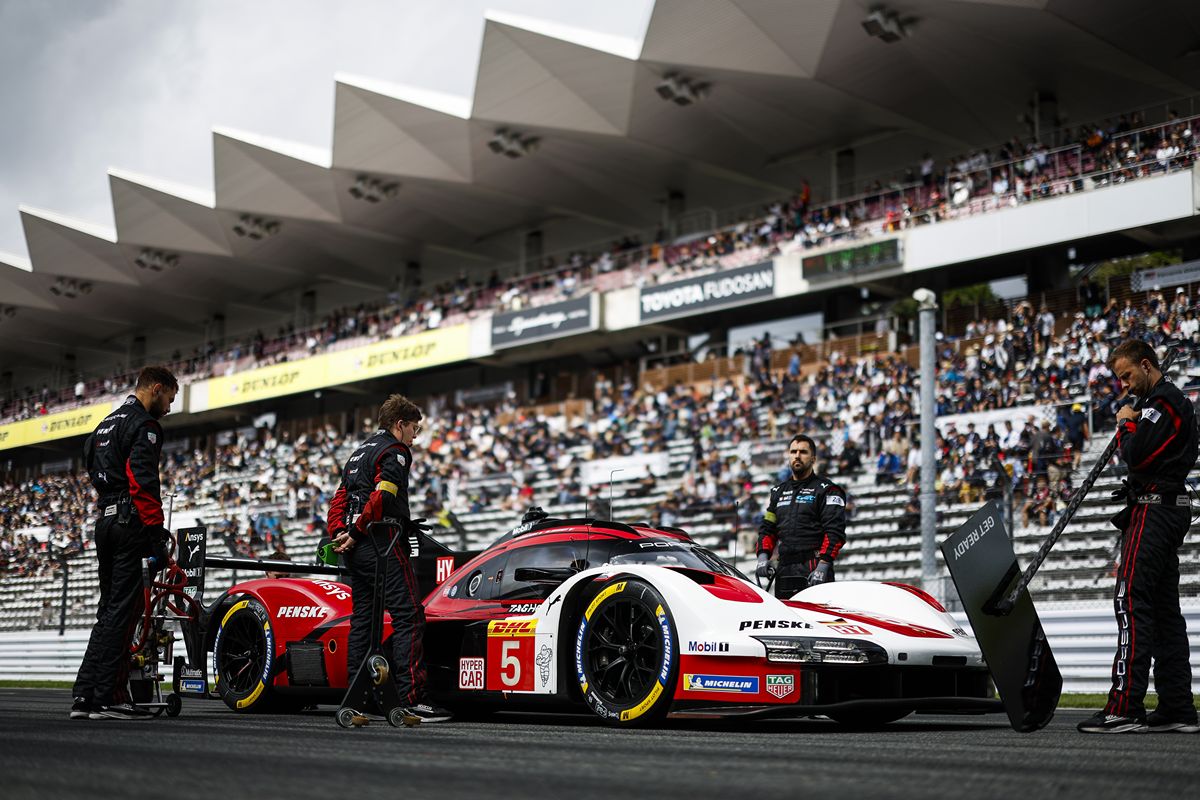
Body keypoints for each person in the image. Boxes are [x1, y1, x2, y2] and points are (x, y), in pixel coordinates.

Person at [1078, 340, 1199, 734]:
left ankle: (1125, 706)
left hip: (1157, 509)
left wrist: (1126, 422)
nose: (1125, 385)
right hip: (1159, 506)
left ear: (1146, 366)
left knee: (1129, 597)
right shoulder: (1157, 404)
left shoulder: (1167, 405)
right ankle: (1178, 706)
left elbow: (1139, 455)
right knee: (1163, 610)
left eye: (1127, 375)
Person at [326, 394, 451, 723]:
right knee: (409, 615)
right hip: (382, 543)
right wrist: (357, 530)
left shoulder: (358, 453)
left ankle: (360, 696)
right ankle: (412, 698)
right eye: (414, 428)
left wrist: (339, 533)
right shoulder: (395, 451)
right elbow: (383, 496)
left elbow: (339, 499)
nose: (414, 435)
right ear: (400, 424)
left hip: (356, 551)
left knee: (363, 622)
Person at [71, 366, 177, 720]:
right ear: (156, 389)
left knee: (108, 610)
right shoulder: (144, 426)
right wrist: (157, 533)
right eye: (169, 400)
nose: (169, 408)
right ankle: (110, 697)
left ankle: (85, 696)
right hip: (130, 522)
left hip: (105, 520)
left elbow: (92, 468)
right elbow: (143, 481)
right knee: (124, 611)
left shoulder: (104, 424)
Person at [755, 434, 848, 599]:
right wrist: (763, 556)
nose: (797, 456)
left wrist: (823, 565)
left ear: (813, 458)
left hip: (814, 567)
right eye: (793, 451)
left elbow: (835, 532)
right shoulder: (778, 492)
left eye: (803, 452)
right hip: (784, 569)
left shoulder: (827, 489)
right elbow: (767, 528)